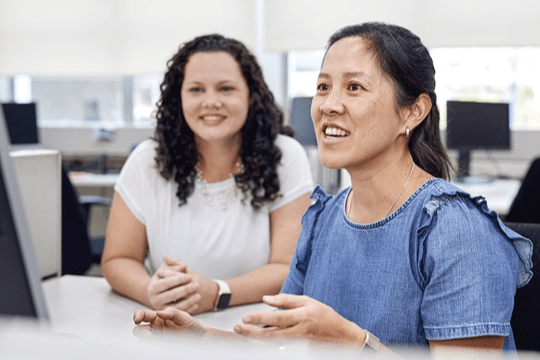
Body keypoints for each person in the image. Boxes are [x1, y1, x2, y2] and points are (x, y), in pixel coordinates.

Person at [132, 23, 533, 355]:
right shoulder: (324, 217)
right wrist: (202, 339)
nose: (328, 105)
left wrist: (351, 342)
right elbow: (280, 344)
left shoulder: (457, 231)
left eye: (354, 88)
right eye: (323, 87)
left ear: (413, 111)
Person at [102, 34, 314, 315]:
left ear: (250, 96)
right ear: (179, 98)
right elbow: (119, 258)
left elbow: (287, 265)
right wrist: (152, 292)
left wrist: (216, 293)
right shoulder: (146, 161)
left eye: (226, 89)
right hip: (169, 325)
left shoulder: (285, 156)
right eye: (196, 90)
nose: (211, 101)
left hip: (254, 328)